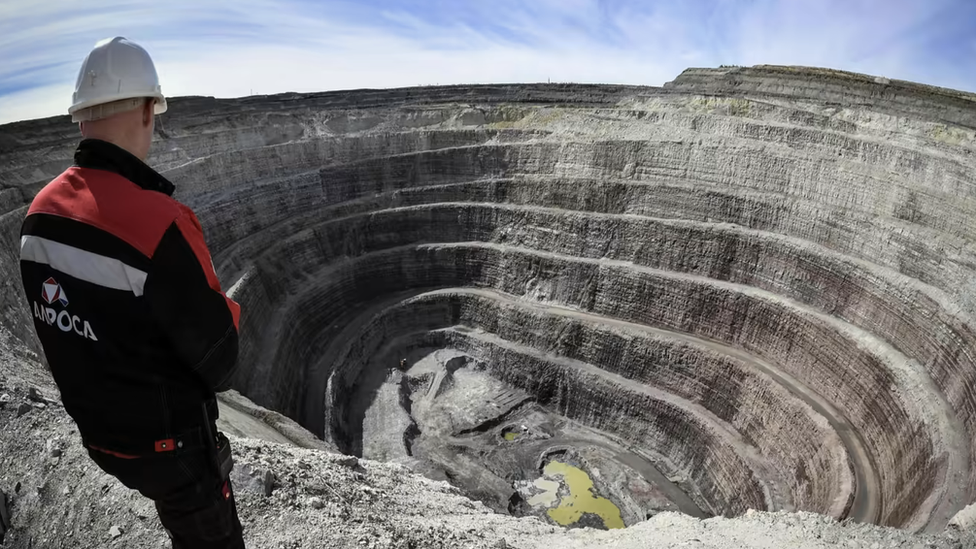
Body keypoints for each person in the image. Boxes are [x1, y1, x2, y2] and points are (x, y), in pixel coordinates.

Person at [18, 36, 245, 548]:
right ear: (148, 110)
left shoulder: (38, 216)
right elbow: (221, 361)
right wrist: (228, 310)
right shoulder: (158, 224)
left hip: (102, 440)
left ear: (81, 117)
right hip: (172, 452)